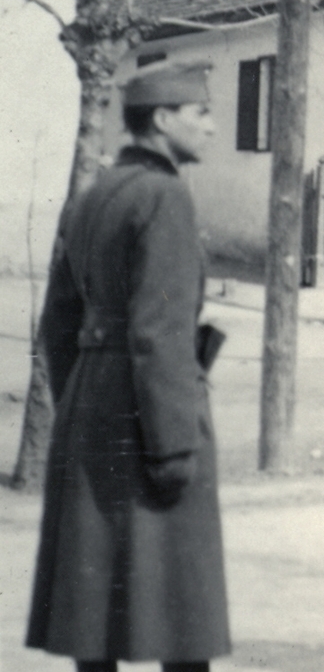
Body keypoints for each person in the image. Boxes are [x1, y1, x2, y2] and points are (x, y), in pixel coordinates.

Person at [27, 59, 230, 671]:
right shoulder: (164, 197)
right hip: (152, 412)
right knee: (181, 610)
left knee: (95, 609)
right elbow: (159, 332)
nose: (213, 128)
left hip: (92, 404)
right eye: (202, 114)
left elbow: (57, 326)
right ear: (163, 120)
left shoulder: (93, 197)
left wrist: (81, 408)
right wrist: (171, 446)